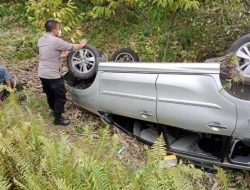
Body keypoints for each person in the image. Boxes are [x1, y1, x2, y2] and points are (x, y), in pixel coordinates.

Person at [38, 19, 87, 126]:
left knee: (49, 93)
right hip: (53, 75)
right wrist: (82, 44)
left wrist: (59, 41)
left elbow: (53, 52)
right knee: (60, 96)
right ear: (54, 29)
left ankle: (53, 110)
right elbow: (72, 47)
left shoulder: (41, 40)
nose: (59, 30)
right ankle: (58, 119)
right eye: (58, 28)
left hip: (42, 73)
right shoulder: (56, 41)